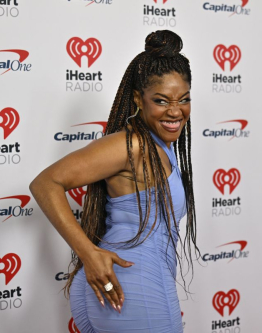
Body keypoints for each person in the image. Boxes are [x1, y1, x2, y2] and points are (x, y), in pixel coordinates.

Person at [29, 30, 200, 333]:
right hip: (132, 287)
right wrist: (88, 253)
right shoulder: (132, 144)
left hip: (122, 286)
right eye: (161, 100)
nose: (175, 111)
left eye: (183, 99)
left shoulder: (160, 146)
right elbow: (45, 184)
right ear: (139, 99)